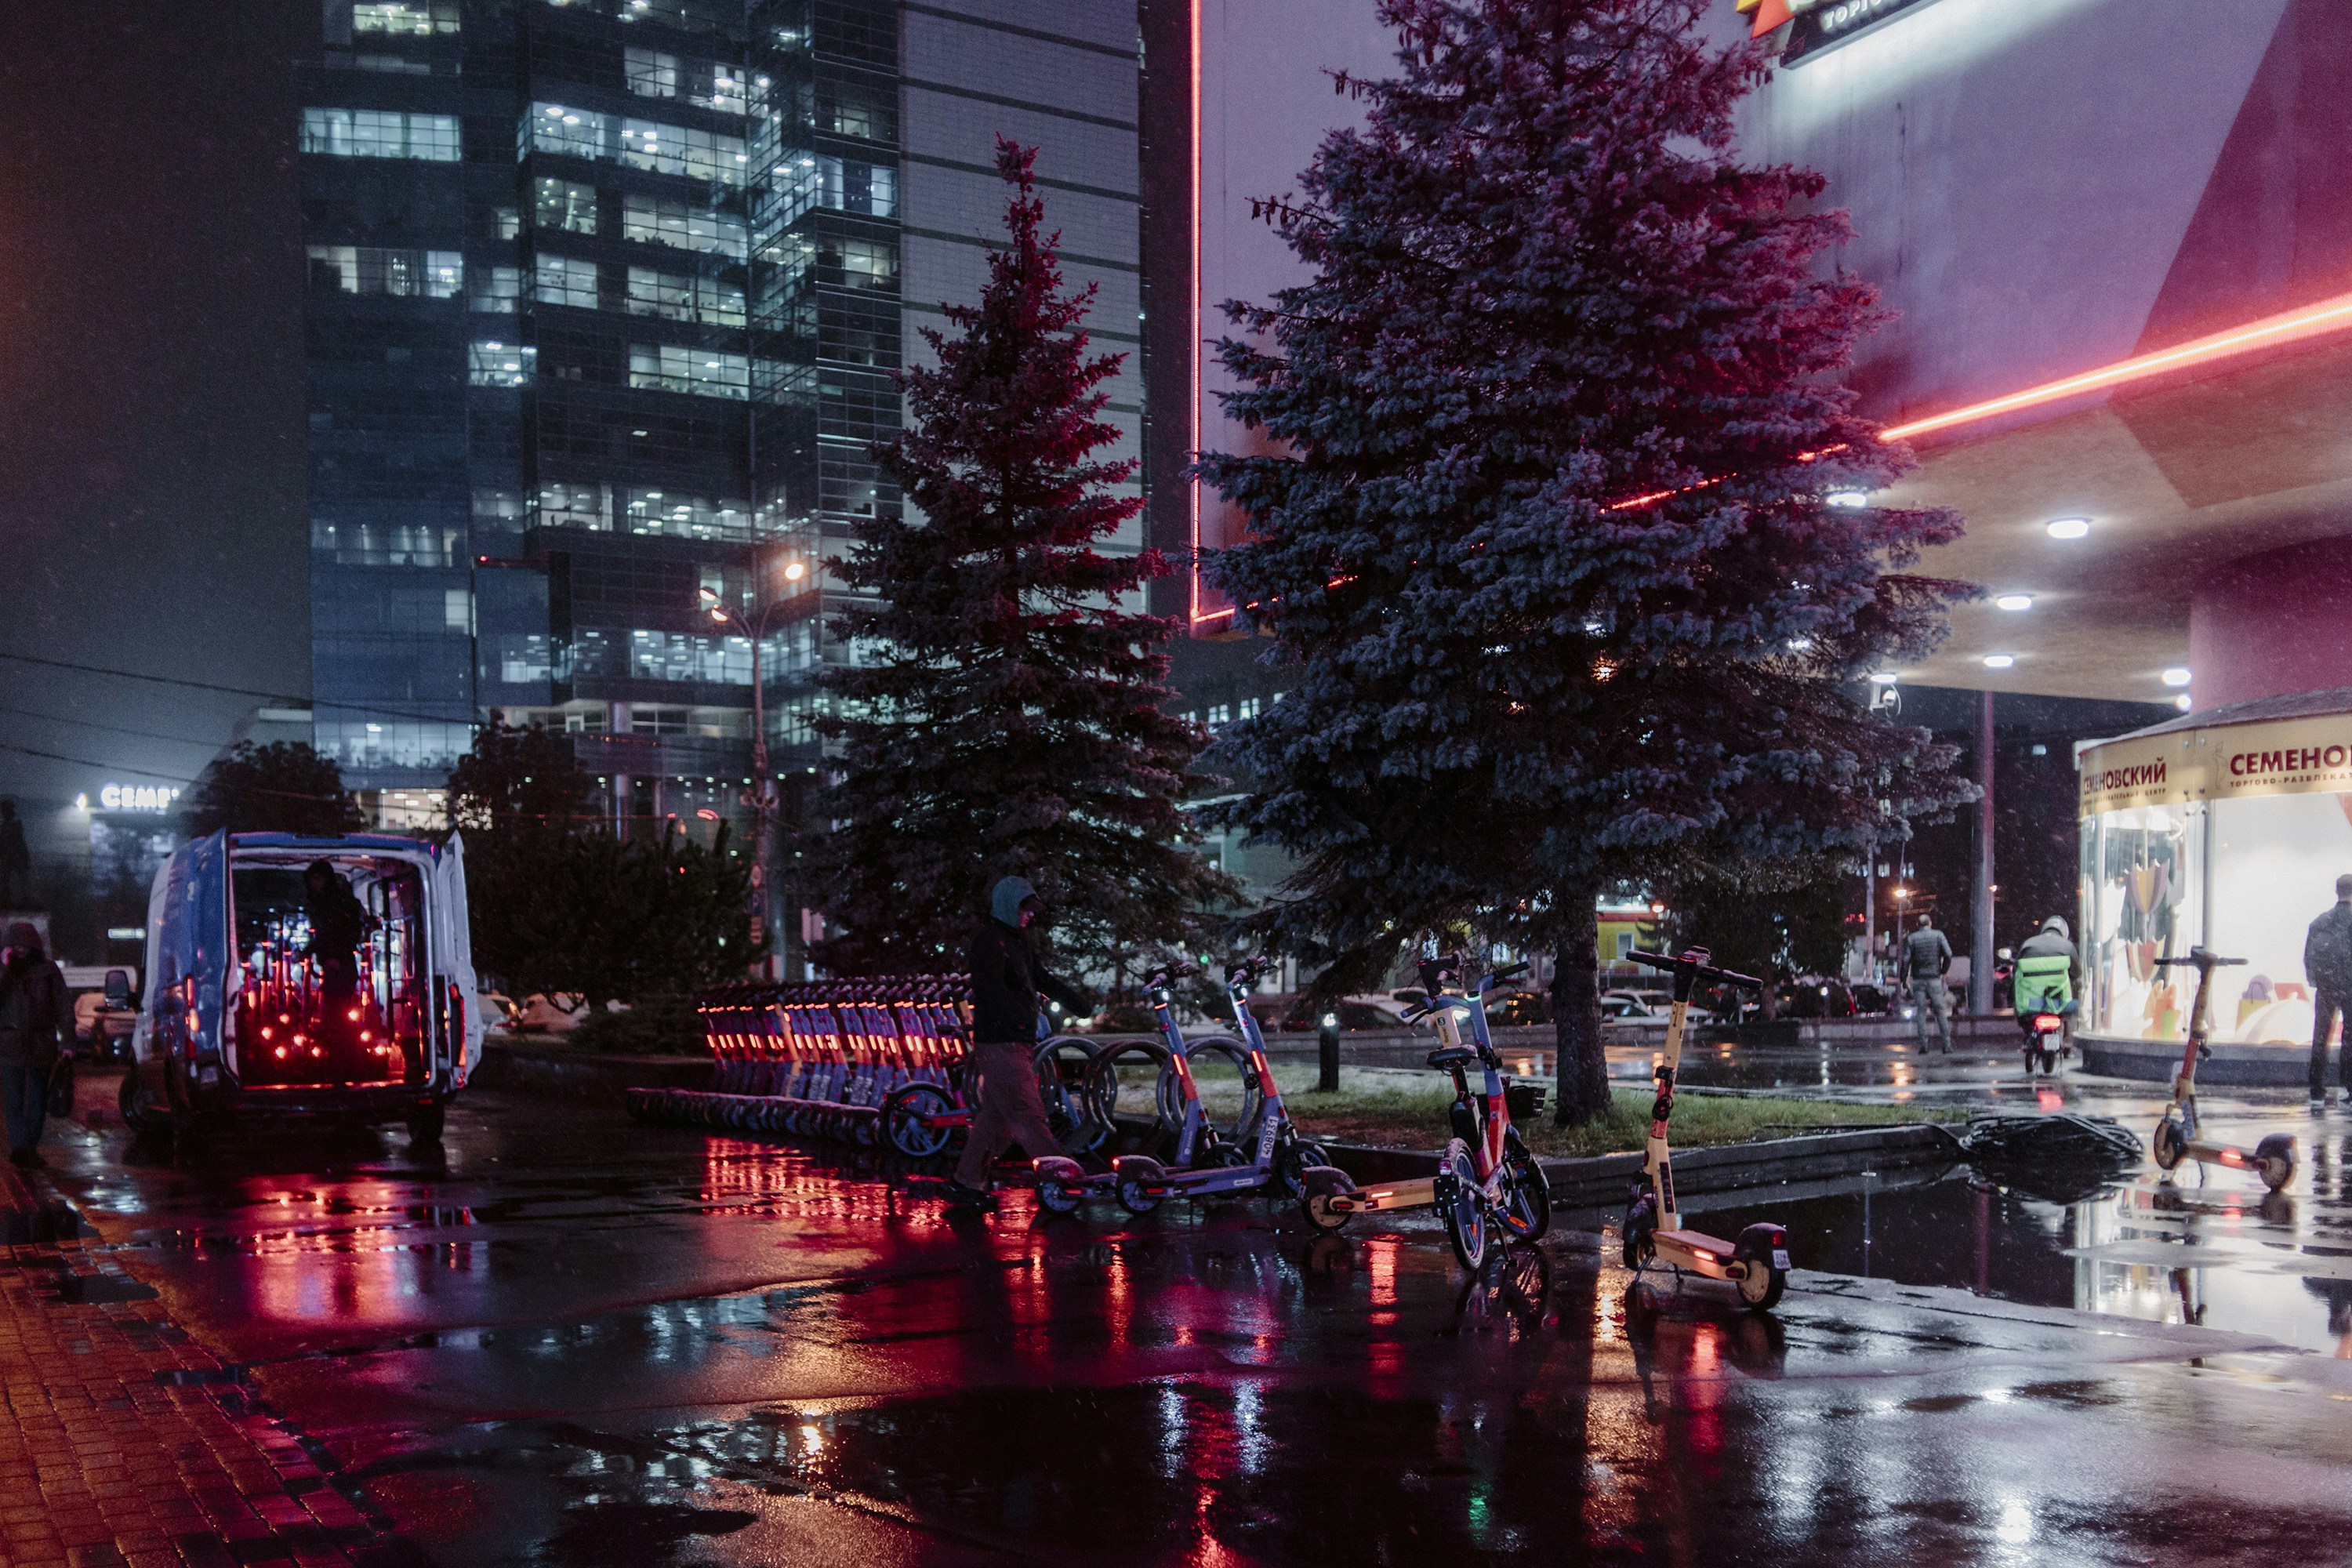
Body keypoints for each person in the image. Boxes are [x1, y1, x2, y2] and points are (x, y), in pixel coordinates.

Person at [949, 876, 1092, 1209]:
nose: (1031, 915)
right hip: (1002, 1042)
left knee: (996, 1120)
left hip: (1014, 1040)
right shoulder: (990, 942)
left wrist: (1077, 1002)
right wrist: (1018, 1017)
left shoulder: (1018, 942)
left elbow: (1040, 979)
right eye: (1025, 909)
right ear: (1009, 907)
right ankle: (1066, 1180)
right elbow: (991, 989)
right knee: (1028, 1115)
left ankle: (966, 1183)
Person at [0, 922, 70, 1167]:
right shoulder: (4, 971)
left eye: (24, 944)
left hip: (40, 1042)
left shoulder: (48, 971)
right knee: (13, 1099)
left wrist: (69, 1041)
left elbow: (63, 1005)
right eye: (15, 945)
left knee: (38, 1098)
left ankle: (28, 1147)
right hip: (10, 1043)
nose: (20, 950)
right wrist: (6, 969)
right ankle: (21, 1147)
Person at [303, 859, 370, 1054]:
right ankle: (342, 1057)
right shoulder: (333, 901)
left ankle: (343, 1058)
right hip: (338, 963)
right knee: (335, 1014)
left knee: (336, 1015)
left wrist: (335, 957)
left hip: (339, 965)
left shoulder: (333, 903)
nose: (313, 884)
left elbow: (339, 932)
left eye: (317, 879)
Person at [2303, 873, 2352, 1109]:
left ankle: (2316, 1091)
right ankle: (2346, 1089)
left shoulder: (2320, 922)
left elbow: (2309, 957)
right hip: (2350, 987)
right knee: (2350, 1038)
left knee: (2321, 1037)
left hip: (2326, 987)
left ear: (2337, 892)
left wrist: (2318, 982)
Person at [1901, 913, 1953, 1054]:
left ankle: (1924, 1044)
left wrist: (1903, 979)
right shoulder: (1938, 935)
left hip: (1918, 980)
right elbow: (1948, 954)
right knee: (1940, 1012)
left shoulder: (1912, 938)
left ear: (1918, 925)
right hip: (1934, 979)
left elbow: (1906, 961)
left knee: (1921, 1012)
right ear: (1930, 924)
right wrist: (1943, 970)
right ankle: (1946, 1045)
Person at [2013, 916, 2079, 1018]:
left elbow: (2015, 971)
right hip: (2061, 1005)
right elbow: (2077, 973)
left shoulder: (2028, 944)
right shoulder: (2068, 946)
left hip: (2030, 1004)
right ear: (2064, 932)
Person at [0, 800, 29, 908]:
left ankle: (24, 898)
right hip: (9, 856)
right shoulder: (6, 826)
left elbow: (20, 841)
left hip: (15, 856)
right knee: (6, 878)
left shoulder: (14, 825)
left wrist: (25, 857)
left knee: (21, 878)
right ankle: (7, 897)